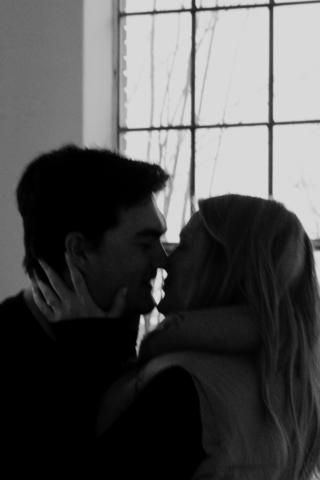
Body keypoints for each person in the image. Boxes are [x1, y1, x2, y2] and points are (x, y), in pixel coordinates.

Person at [37, 194, 320, 479]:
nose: (164, 261)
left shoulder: (185, 388)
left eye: (184, 245)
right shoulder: (293, 381)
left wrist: (83, 349)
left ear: (225, 265)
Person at [0, 144, 169, 476]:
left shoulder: (116, 334)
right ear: (79, 250)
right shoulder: (9, 357)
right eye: (145, 243)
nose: (163, 260)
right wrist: (88, 354)